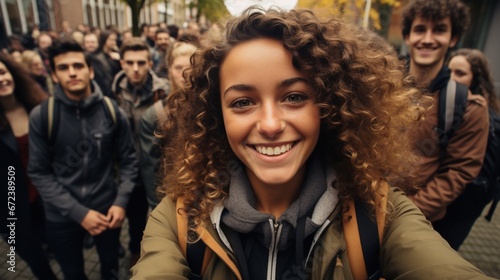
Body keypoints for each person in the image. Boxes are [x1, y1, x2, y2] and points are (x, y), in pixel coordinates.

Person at [131, 8, 493, 279]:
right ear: (216, 115)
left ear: (328, 105)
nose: (271, 124)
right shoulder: (179, 218)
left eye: (294, 97)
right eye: (242, 102)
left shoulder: (379, 214)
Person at [27, 39, 138, 280]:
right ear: (54, 76)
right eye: (63, 68)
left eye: (78, 66)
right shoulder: (43, 115)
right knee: (73, 273)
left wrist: (120, 202)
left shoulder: (111, 110)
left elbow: (129, 160)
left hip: (107, 209)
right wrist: (79, 213)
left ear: (90, 70)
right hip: (62, 216)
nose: (72, 72)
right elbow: (39, 173)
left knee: (110, 266)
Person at [401, 0, 490, 250]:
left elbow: (458, 173)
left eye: (439, 29)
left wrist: (405, 213)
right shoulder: (380, 86)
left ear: (453, 39)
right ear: (407, 36)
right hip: (359, 210)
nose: (427, 39)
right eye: (420, 29)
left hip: (414, 224)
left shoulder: (469, 107)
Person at [111, 37, 170, 268]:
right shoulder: (114, 91)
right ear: (122, 64)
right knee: (135, 217)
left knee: (159, 215)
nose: (136, 69)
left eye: (141, 62)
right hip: (129, 168)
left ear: (149, 63)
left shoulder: (163, 91)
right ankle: (136, 251)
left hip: (157, 167)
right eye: (130, 62)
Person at [0, 52, 57, 280]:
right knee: (39, 264)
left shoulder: (37, 105)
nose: (1, 80)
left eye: (3, 72)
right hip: (12, 210)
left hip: (47, 198)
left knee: (61, 250)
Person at [441, 48, 500, 248]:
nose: (452, 78)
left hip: (459, 210)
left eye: (461, 73)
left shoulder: (482, 118)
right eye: (449, 71)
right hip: (445, 202)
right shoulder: (450, 105)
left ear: (476, 79)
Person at [139, 41, 198, 209]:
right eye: (179, 68)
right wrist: (158, 210)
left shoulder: (214, 108)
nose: (185, 73)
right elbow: (151, 170)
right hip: (171, 200)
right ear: (170, 70)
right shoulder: (155, 115)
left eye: (192, 66)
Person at [90, 30, 121, 98]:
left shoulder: (116, 54)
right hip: (108, 93)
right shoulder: (98, 59)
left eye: (114, 40)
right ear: (104, 40)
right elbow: (105, 80)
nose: (114, 42)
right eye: (111, 40)